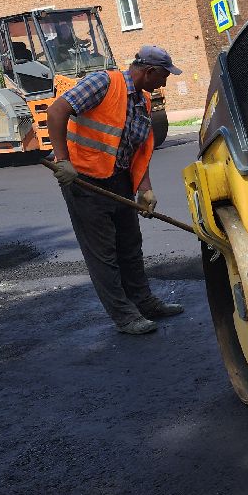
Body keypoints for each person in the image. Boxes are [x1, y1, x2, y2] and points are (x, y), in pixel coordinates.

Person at [46, 45, 185, 335]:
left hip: (118, 181)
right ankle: (124, 316)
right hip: (84, 180)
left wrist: (144, 188)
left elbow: (139, 150)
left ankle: (144, 302)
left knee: (130, 246)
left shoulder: (143, 101)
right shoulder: (104, 83)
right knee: (103, 254)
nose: (165, 82)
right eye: (164, 76)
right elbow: (57, 110)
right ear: (149, 71)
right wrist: (63, 160)